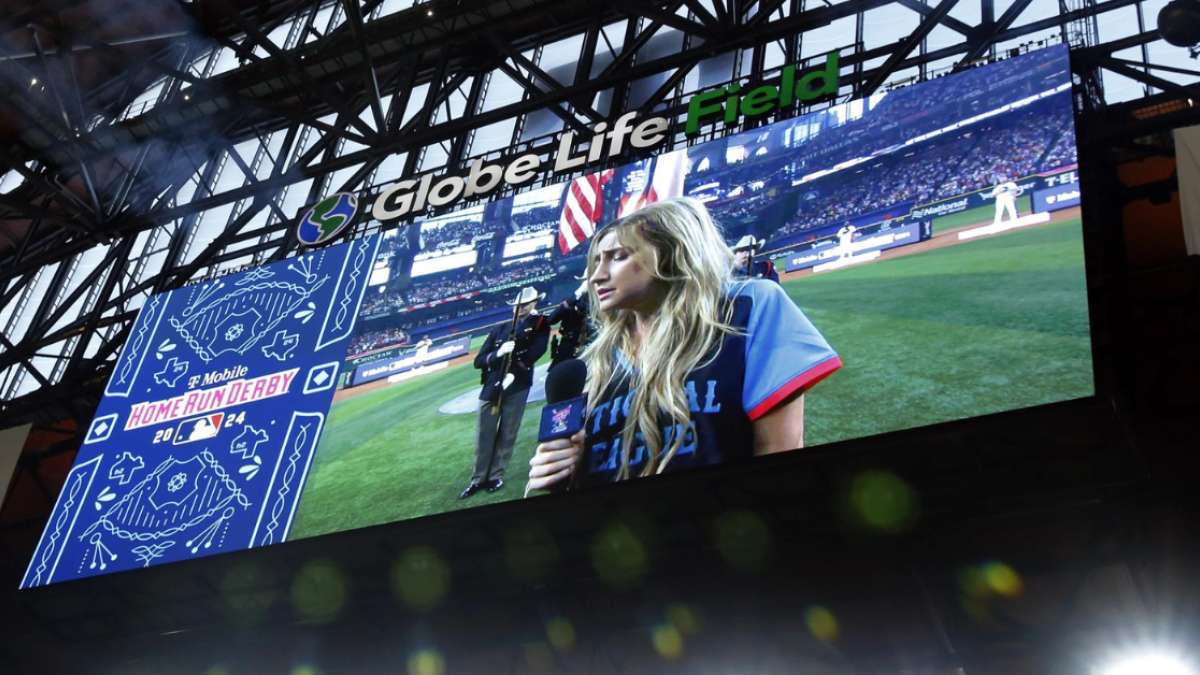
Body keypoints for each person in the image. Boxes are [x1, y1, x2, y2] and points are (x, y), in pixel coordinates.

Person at [528, 198, 841, 491]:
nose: (597, 276)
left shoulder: (747, 309)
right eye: (597, 261)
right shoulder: (597, 359)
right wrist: (570, 461)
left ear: (672, 253)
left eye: (618, 257)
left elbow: (779, 447)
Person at [462, 286, 550, 499]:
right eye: (518, 305)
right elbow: (479, 360)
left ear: (534, 304)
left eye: (526, 304)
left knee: (508, 432)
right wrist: (497, 353)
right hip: (492, 386)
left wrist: (514, 373)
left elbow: (536, 352)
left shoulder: (538, 324)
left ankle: (495, 475)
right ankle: (478, 479)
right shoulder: (499, 330)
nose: (521, 308)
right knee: (485, 433)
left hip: (517, 384)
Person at [547, 279, 591, 369]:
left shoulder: (599, 301)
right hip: (568, 348)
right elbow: (551, 320)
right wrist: (577, 295)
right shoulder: (572, 301)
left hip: (590, 347)